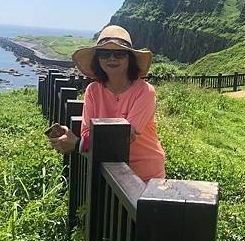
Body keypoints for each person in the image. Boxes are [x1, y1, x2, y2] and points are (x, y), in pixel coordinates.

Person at [48, 25, 166, 181]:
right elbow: (87, 133)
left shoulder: (145, 91)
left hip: (145, 176)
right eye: (104, 53)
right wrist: (81, 140)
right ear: (98, 59)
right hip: (108, 173)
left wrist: (77, 144)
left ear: (129, 58)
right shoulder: (93, 91)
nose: (112, 58)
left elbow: (124, 137)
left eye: (119, 53)